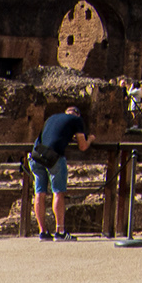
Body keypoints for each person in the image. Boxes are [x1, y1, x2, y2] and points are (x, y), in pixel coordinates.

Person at [29, 99, 91, 243]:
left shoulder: (51, 118)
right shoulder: (76, 120)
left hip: (36, 156)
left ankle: (43, 232)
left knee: (39, 193)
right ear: (77, 114)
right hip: (54, 157)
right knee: (58, 192)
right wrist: (90, 140)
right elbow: (82, 146)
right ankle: (60, 232)